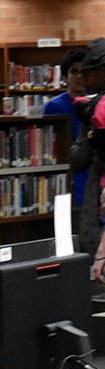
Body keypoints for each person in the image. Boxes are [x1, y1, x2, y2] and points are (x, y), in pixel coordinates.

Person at [44, 47, 87, 243]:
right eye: (74, 71)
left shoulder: (98, 104)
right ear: (65, 75)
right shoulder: (55, 107)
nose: (79, 76)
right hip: (67, 187)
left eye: (83, 71)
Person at [74, 39, 105, 264]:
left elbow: (78, 160)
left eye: (87, 73)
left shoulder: (97, 109)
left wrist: (89, 128)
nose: (82, 79)